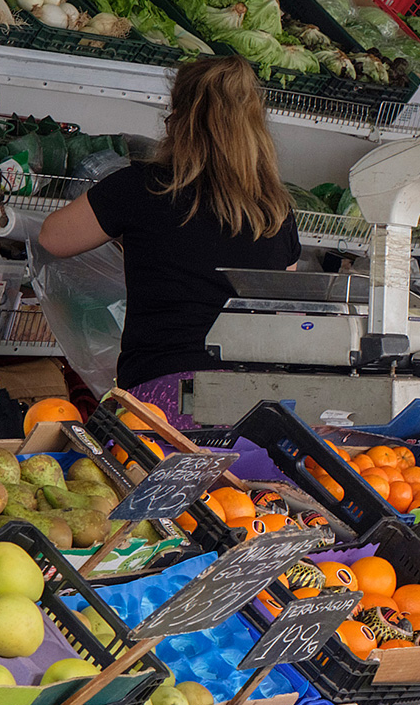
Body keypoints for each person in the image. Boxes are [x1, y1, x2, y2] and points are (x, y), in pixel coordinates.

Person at [40, 55, 301, 427]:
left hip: (161, 401)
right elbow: (281, 302)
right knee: (247, 488)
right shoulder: (276, 212)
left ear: (178, 120)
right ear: (254, 123)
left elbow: (53, 237)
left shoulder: (143, 186)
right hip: (255, 405)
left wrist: (130, 240)